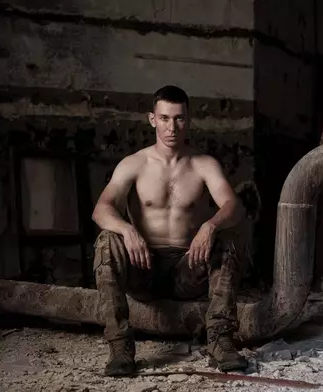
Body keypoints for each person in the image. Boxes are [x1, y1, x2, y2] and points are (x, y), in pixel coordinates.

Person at [91, 85, 248, 377]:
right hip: (143, 268)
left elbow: (233, 206)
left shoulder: (203, 164)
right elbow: (101, 209)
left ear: (187, 119)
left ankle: (221, 342)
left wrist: (210, 225)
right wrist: (127, 230)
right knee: (106, 240)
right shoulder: (133, 164)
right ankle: (120, 347)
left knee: (227, 236)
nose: (171, 127)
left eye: (178, 118)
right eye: (164, 118)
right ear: (152, 119)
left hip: (188, 270)